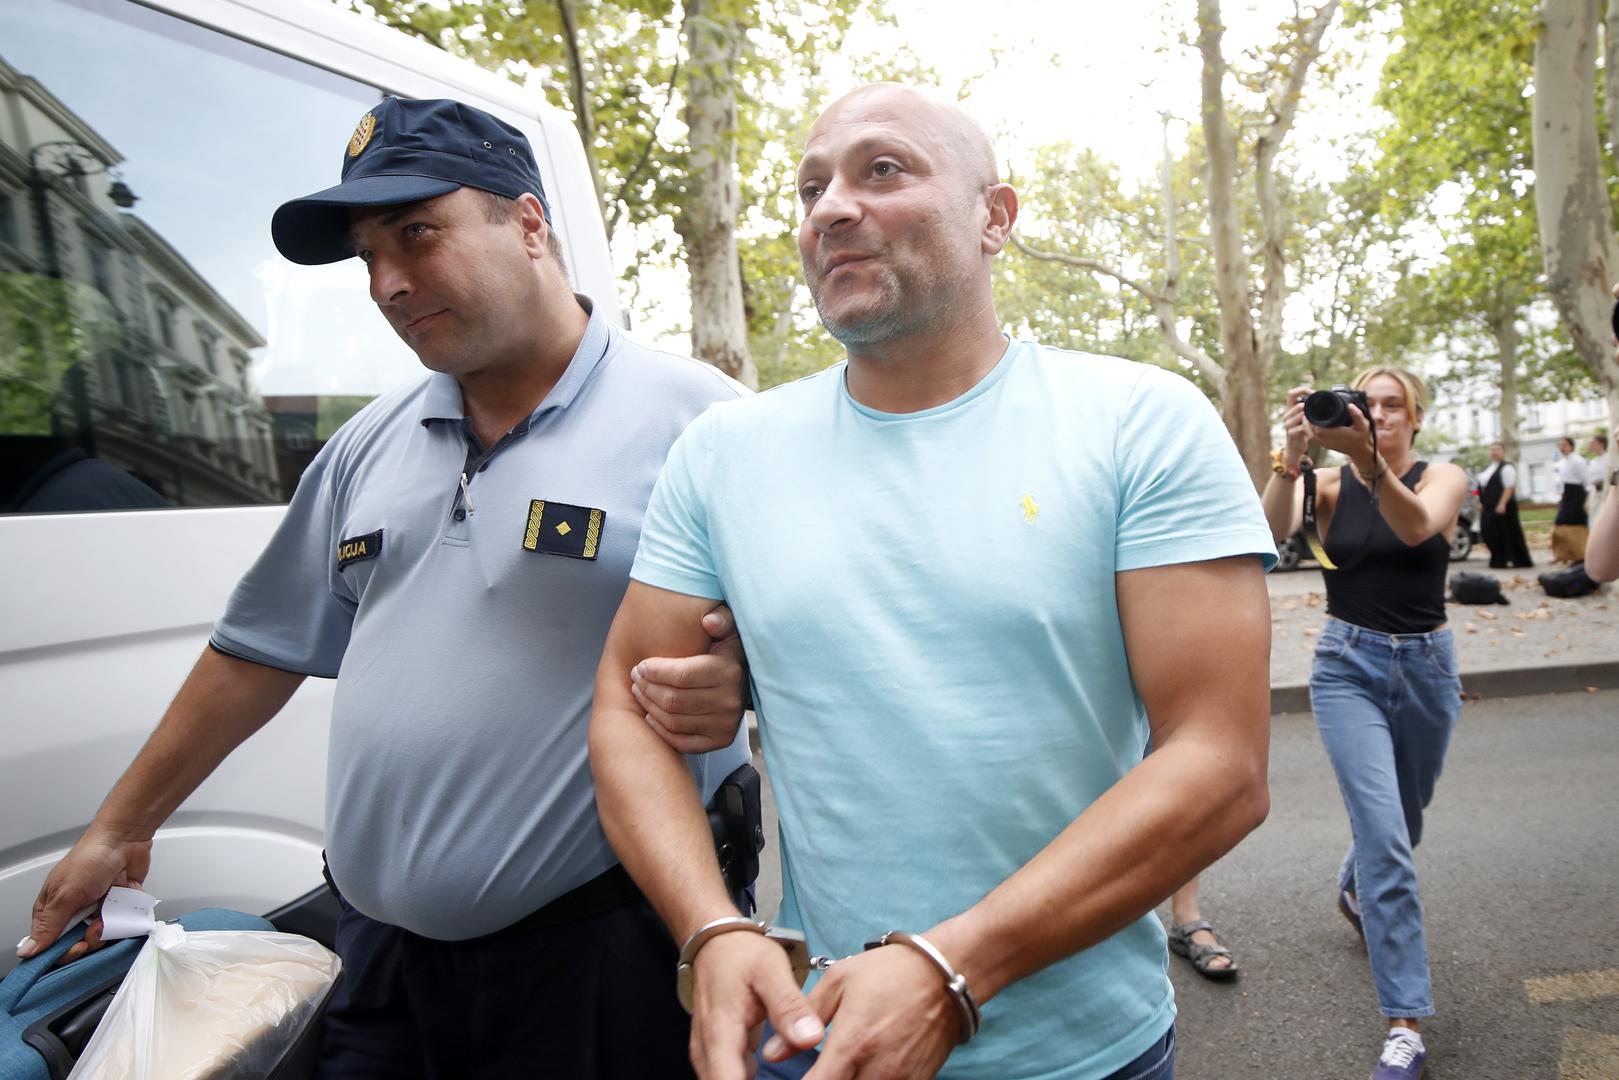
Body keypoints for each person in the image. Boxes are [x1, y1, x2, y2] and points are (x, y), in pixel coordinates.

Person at [18, 98, 758, 1079]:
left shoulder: (698, 421)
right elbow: (255, 653)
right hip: (380, 964)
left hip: (597, 958)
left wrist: (744, 679)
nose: (388, 284)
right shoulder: (366, 444)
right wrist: (119, 829)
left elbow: (829, 644)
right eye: (368, 256)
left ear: (528, 223)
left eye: (416, 235)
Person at [588, 83, 1277, 1080]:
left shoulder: (1142, 422)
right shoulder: (721, 452)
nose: (831, 207)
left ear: (994, 217)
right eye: (810, 189)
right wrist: (711, 927)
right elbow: (623, 703)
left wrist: (953, 968)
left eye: (882, 170)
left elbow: (1219, 764)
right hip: (813, 1037)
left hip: (1087, 1056)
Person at [1263, 368, 1470, 1080]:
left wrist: (1366, 459)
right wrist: (1292, 455)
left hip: (1428, 668)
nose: (1376, 415)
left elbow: (1415, 527)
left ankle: (1354, 887)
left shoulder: (1443, 477)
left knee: (1404, 823)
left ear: (1414, 417)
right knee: (1387, 841)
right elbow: (1270, 534)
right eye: (1364, 403)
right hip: (1345, 667)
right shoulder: (1325, 485)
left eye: (1391, 405)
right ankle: (1404, 1026)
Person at [1477, 441, 1533, 569]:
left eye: (1497, 449)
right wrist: (1481, 502)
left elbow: (1509, 487)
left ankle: (1513, 559)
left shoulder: (1507, 468)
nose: (1494, 452)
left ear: (1503, 452)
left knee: (1506, 533)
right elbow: (1483, 487)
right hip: (1488, 506)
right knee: (1488, 532)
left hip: (1502, 506)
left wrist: (1502, 503)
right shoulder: (1488, 468)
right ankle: (1498, 558)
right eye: (1492, 450)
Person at [1550, 436, 1590, 563]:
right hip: (1566, 494)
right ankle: (1563, 554)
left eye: (1564, 445)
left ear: (1571, 446)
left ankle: (1581, 555)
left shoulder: (1578, 461)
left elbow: (1587, 482)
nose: (1562, 447)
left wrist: (1587, 500)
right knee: (1559, 523)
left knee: (1575, 524)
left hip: (1577, 495)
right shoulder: (1561, 462)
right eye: (1560, 445)